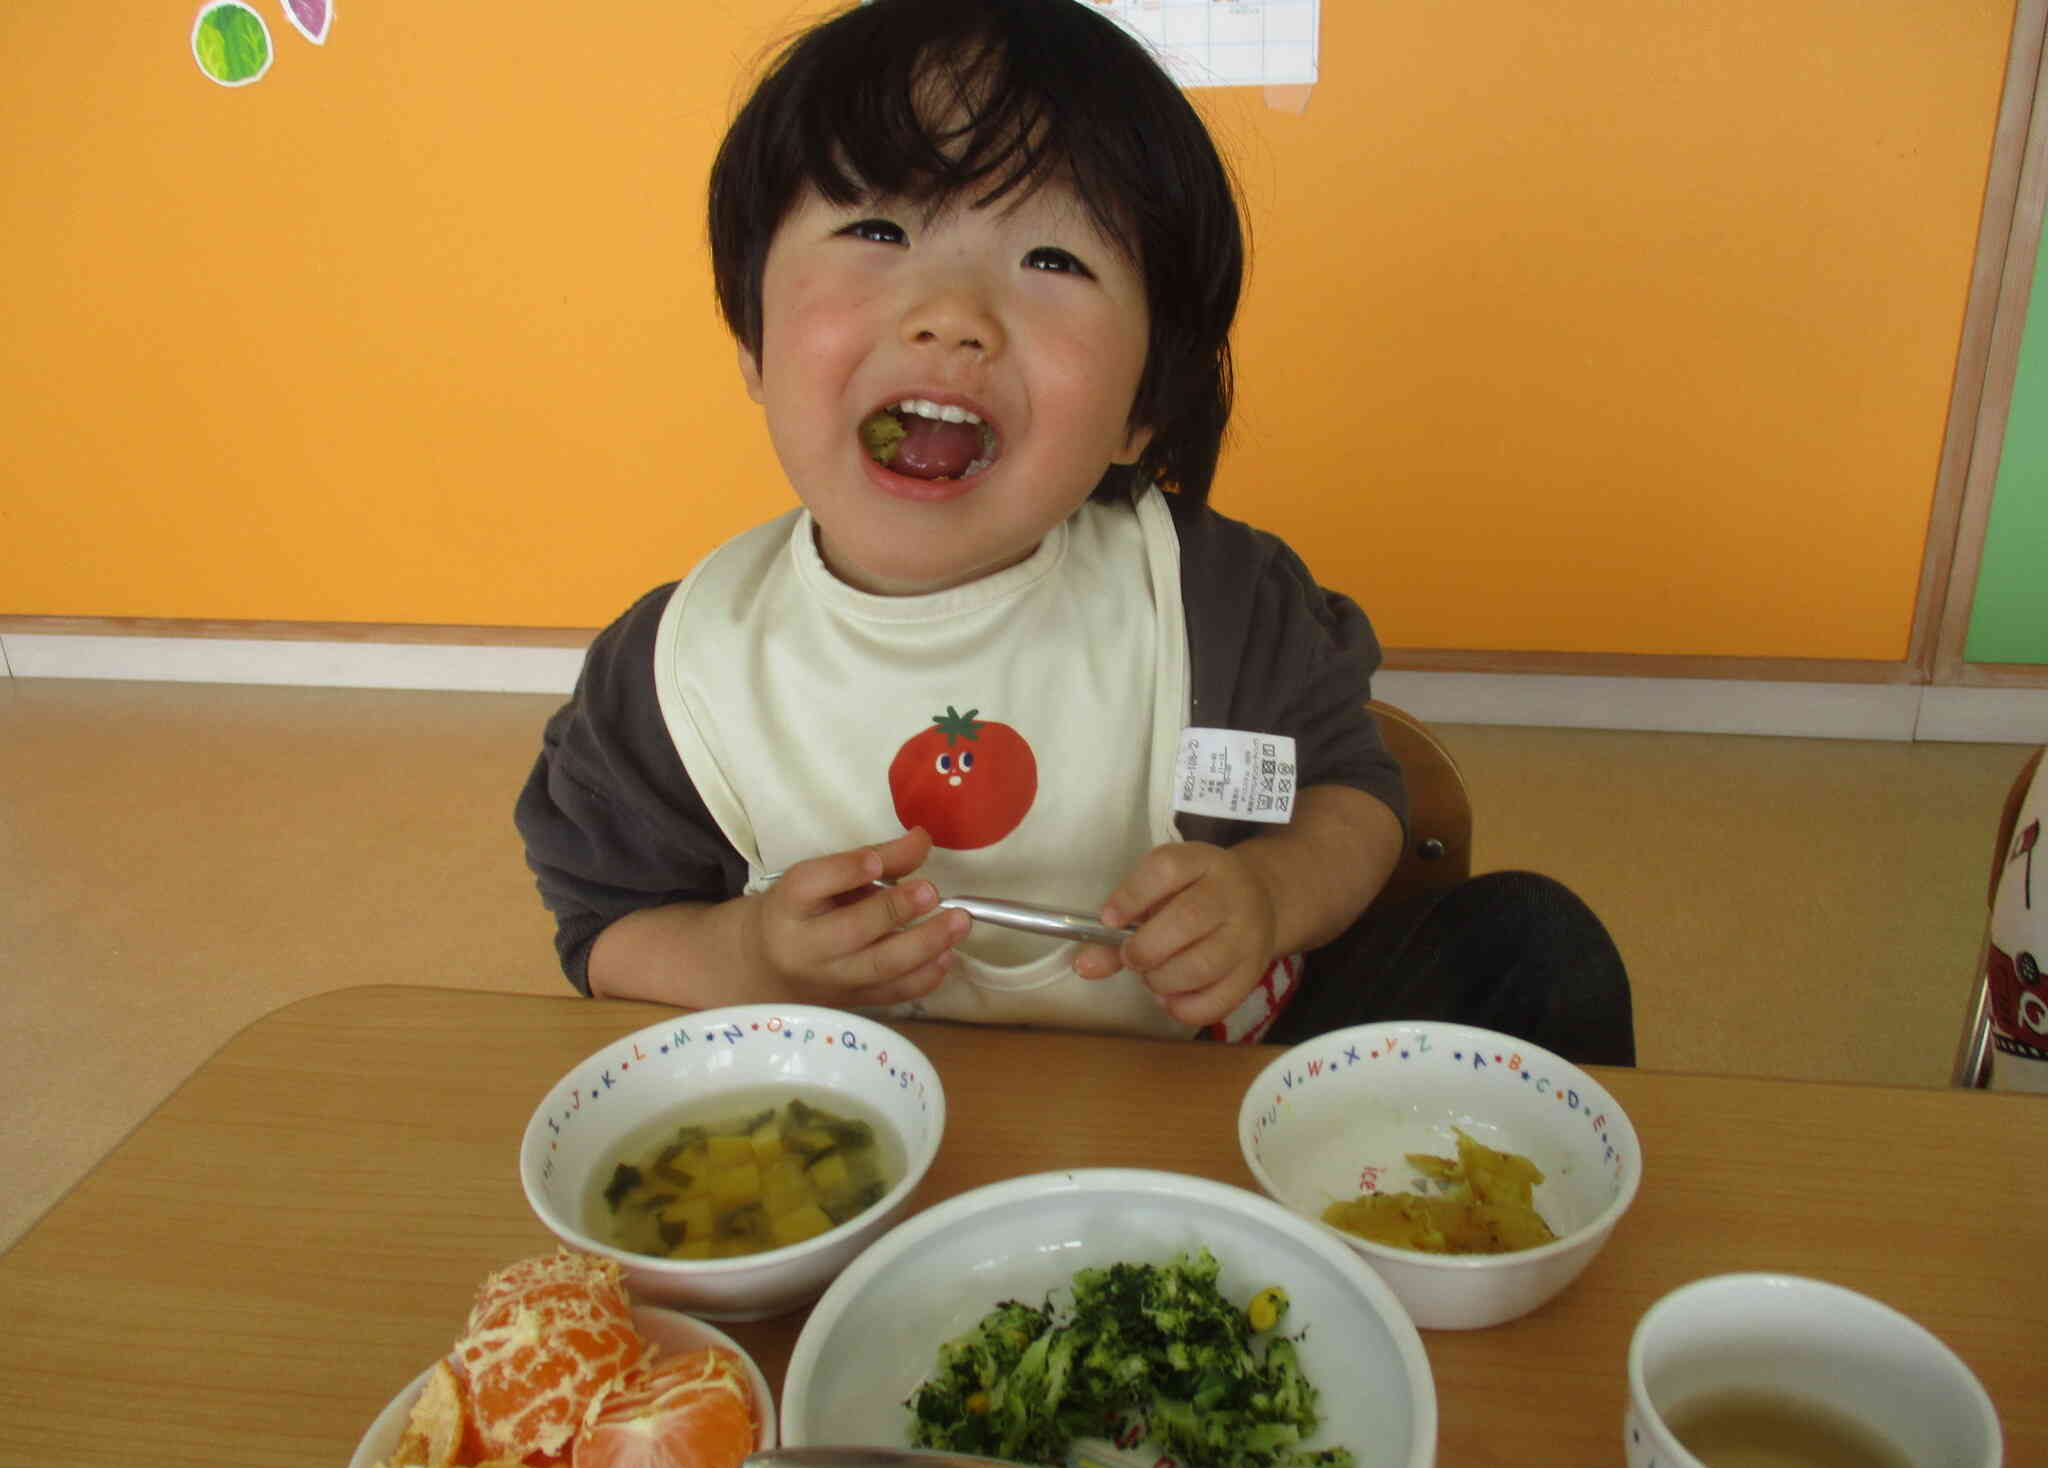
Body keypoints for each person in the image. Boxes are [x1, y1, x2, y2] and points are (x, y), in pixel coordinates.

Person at [515, 0, 1634, 1064]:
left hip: (1214, 1098)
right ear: (753, 340)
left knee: (1529, 945)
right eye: (874, 226)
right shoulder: (682, 670)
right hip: (866, 1125)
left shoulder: (1208, 601)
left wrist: (1270, 895)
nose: (951, 313)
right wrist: (753, 956)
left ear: (1144, 405)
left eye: (1053, 260)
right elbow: (608, 932)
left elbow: (1353, 792)